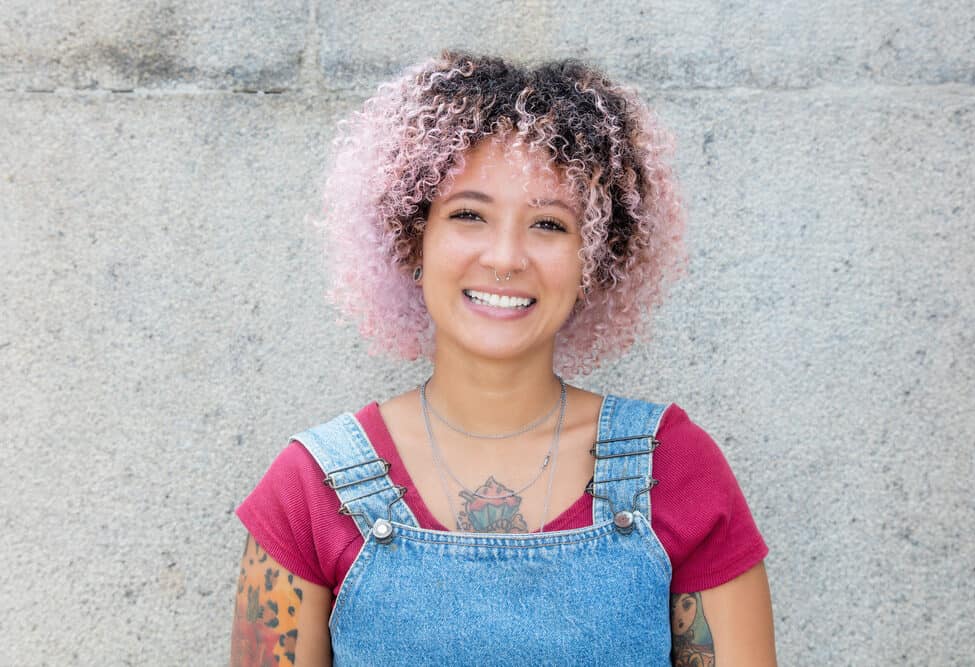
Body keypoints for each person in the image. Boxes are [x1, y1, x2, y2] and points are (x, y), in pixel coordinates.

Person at [230, 51, 776, 666]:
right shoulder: (309, 488)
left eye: (549, 224)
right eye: (469, 214)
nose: (507, 256)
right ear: (412, 236)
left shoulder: (676, 470)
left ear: (595, 260)